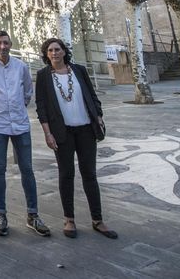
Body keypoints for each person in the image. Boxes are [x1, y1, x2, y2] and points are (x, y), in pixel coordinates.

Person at [35, 38, 117, 241]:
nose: (54, 53)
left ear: (64, 52)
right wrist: (47, 132)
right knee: (66, 174)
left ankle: (97, 220)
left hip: (86, 130)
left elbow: (91, 95)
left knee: (89, 174)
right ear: (46, 54)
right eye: (50, 50)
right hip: (62, 132)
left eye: (58, 49)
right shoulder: (43, 76)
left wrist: (98, 116)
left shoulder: (78, 70)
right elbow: (41, 106)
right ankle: (69, 219)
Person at [0, 30, 50, 237]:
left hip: (20, 124)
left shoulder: (21, 67)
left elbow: (28, 92)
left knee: (27, 168)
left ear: (10, 44)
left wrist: (17, 109)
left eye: (6, 43)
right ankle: (1, 214)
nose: (2, 46)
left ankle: (33, 215)